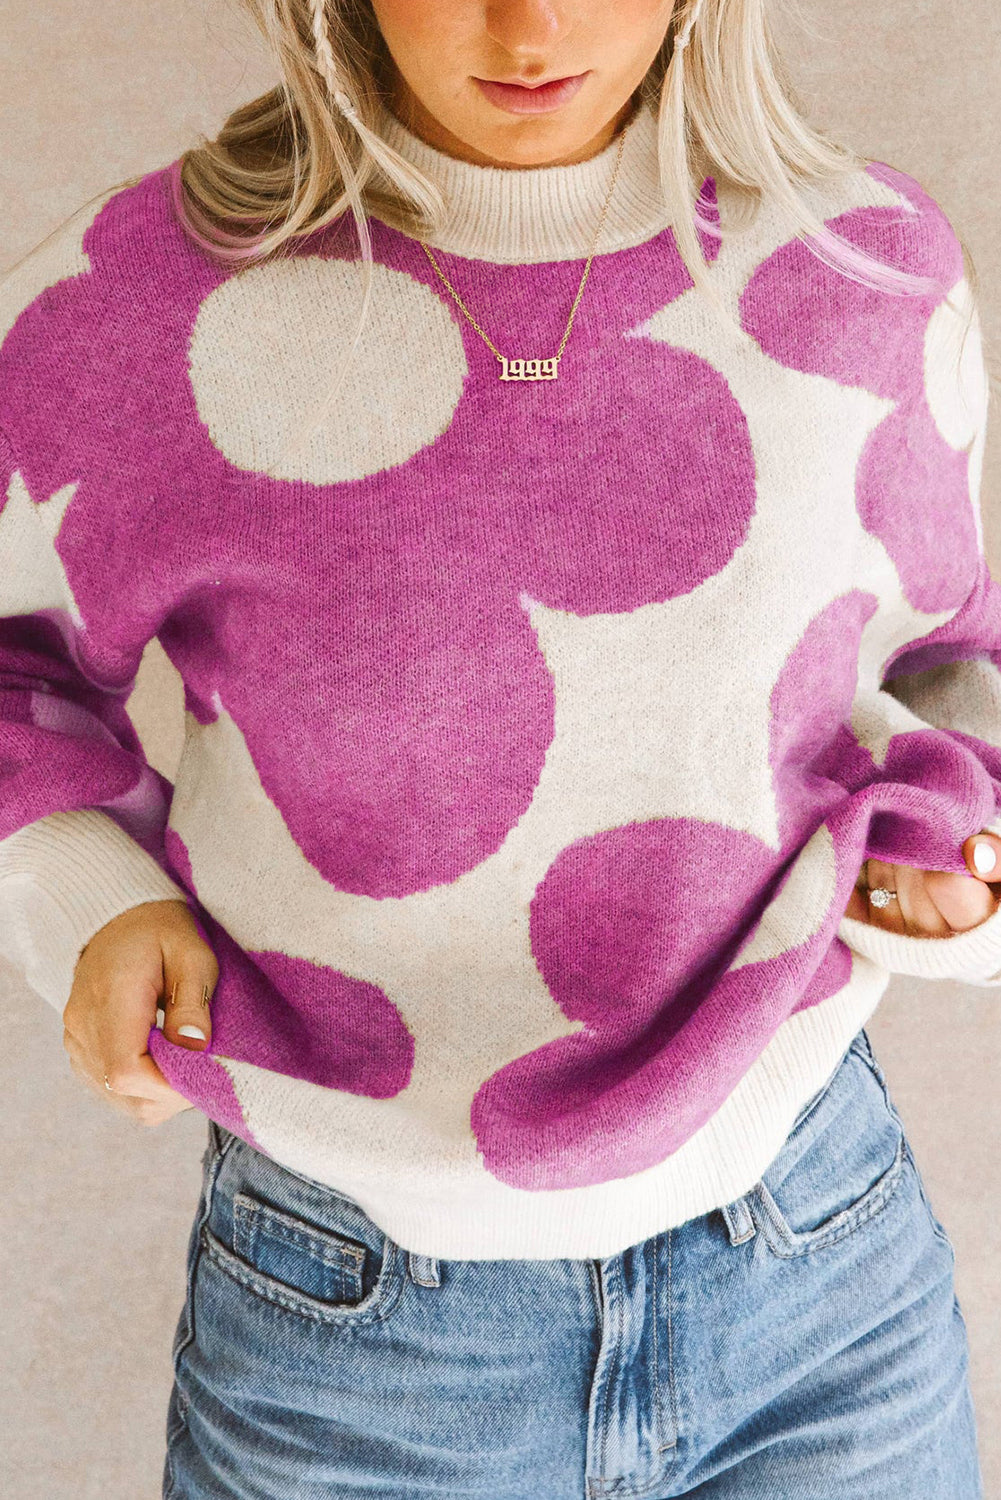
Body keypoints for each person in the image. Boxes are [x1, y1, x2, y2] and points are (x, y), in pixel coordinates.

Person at [2, 0, 1000, 1494]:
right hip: (354, 1325)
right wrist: (91, 899)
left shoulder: (862, 267)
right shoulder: (138, 307)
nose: (527, 25)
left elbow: (955, 660)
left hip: (820, 1282)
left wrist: (960, 863)